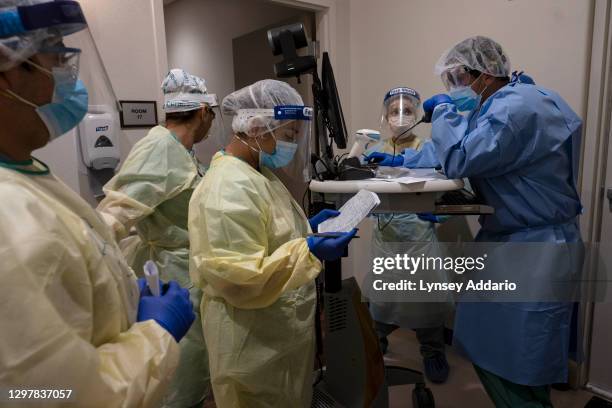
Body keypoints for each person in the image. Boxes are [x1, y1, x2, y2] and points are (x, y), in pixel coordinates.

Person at [0, 1, 195, 406]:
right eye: (57, 60)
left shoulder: (28, 176)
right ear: (9, 71)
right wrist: (156, 334)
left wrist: (118, 288)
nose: (66, 80)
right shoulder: (10, 221)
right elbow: (55, 396)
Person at [409, 36, 583, 406]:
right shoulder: (511, 100)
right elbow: (461, 145)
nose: (453, 88)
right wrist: (402, 161)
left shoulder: (514, 108)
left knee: (519, 361)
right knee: (505, 354)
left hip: (534, 249)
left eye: (456, 78)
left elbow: (460, 157)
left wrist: (442, 112)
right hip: (518, 241)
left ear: (483, 74)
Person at [189, 79, 357, 407]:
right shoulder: (228, 188)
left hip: (276, 336)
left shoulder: (258, 174)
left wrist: (306, 230)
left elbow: (267, 236)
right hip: (251, 345)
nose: (293, 145)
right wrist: (308, 249)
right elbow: (238, 276)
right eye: (289, 135)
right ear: (256, 127)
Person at [97, 68, 215, 407]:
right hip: (169, 274)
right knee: (176, 377)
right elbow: (116, 212)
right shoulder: (160, 146)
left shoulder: (181, 149)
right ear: (204, 112)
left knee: (190, 369)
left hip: (187, 271)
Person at [364, 87, 451, 383]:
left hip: (419, 238)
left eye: (408, 111)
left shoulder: (431, 147)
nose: (400, 117)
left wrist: (439, 214)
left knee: (425, 298)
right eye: (394, 111)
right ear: (385, 116)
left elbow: (453, 187)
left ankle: (432, 350)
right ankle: (378, 342)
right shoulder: (372, 150)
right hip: (385, 240)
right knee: (382, 297)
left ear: (417, 114)